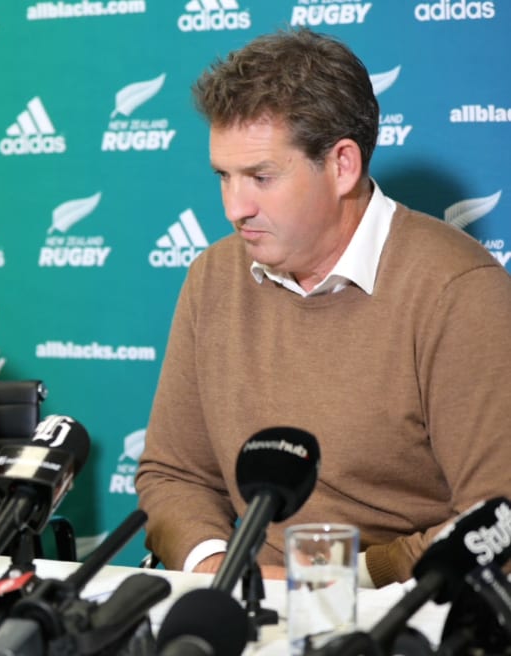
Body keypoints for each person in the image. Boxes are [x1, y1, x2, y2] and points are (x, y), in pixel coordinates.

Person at [135, 28, 511, 589]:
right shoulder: (213, 276)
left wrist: (328, 584)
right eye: (224, 177)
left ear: (341, 165)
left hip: (409, 607)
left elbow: (497, 521)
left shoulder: (458, 290)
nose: (236, 208)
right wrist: (224, 572)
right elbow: (173, 473)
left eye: (261, 177)